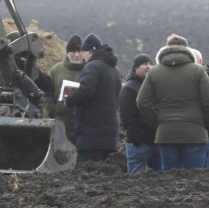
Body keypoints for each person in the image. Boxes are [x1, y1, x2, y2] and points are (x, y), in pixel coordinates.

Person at [136, 42, 209, 170]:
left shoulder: (154, 72)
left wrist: (158, 123)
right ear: (188, 55)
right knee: (196, 180)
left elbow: (142, 102)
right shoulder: (198, 70)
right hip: (195, 133)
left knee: (170, 180)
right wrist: (204, 123)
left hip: (166, 133)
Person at [65, 33, 122, 162]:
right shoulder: (115, 70)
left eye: (83, 51)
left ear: (90, 51)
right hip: (110, 131)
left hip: (92, 133)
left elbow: (86, 91)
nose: (82, 56)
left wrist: (69, 100)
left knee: (89, 172)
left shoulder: (91, 66)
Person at [118, 54, 161, 173]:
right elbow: (127, 117)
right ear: (135, 68)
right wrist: (135, 138)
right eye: (144, 64)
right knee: (136, 177)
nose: (148, 67)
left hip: (156, 141)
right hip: (139, 144)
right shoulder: (129, 88)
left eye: (150, 64)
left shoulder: (154, 87)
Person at [45, 34, 84, 144]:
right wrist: (53, 110)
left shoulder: (89, 70)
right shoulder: (56, 70)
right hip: (60, 123)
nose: (76, 55)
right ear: (67, 52)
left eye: (79, 51)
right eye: (73, 52)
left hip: (82, 123)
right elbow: (47, 93)